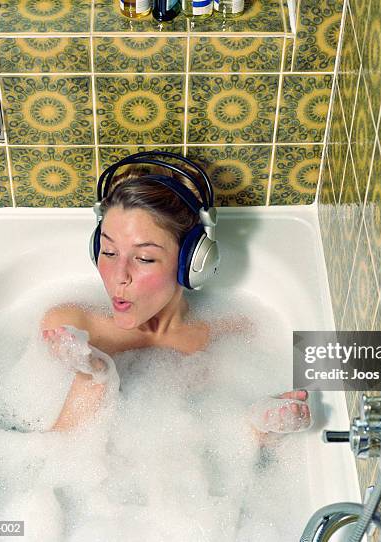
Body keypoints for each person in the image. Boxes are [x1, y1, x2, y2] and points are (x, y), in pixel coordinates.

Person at [39, 153, 311, 435]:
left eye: (144, 258)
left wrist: (263, 427)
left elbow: (218, 447)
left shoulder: (226, 334)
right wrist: (94, 375)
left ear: (192, 264)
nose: (119, 276)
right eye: (108, 252)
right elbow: (52, 454)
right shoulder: (69, 329)